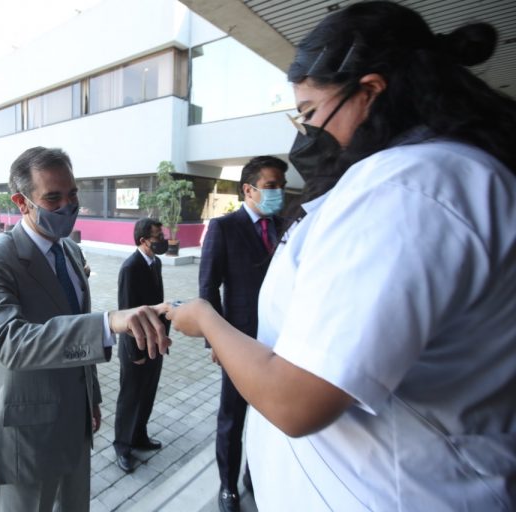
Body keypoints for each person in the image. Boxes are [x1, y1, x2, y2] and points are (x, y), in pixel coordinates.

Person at [164, 2, 516, 510]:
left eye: (309, 112)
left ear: (369, 92)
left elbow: (295, 400)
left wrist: (207, 320)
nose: (304, 132)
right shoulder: (418, 178)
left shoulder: (408, 188)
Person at [0, 146, 170, 512]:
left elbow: (74, 320)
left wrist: (90, 396)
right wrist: (108, 323)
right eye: (53, 197)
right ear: (22, 202)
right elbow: (9, 342)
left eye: (72, 193)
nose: (67, 205)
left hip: (75, 421)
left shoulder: (71, 252)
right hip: (27, 430)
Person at [198, 156, 287, 511]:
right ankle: (227, 486)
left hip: (280, 342)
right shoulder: (224, 228)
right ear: (248, 189)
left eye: (282, 185)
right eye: (270, 186)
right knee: (232, 419)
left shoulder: (285, 225)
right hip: (240, 341)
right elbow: (207, 289)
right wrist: (216, 340)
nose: (278, 192)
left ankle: (255, 473)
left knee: (269, 417)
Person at [113, 217, 170, 473]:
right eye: (157, 236)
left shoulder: (155, 262)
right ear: (143, 241)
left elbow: (157, 303)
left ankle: (139, 436)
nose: (162, 240)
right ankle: (123, 446)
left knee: (148, 393)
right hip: (135, 347)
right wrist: (136, 352)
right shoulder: (130, 268)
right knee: (130, 397)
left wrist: (161, 339)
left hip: (154, 343)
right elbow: (126, 313)